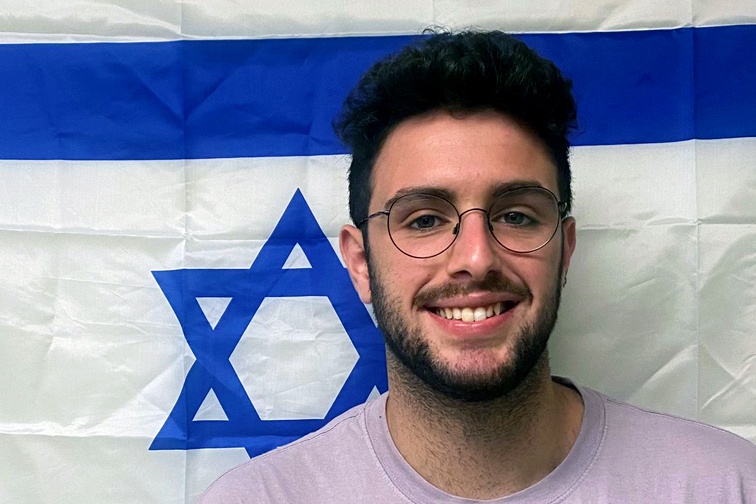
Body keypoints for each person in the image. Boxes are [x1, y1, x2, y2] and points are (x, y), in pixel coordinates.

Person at [199, 30, 756, 503]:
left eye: (515, 215)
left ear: (565, 248)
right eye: (423, 220)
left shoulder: (724, 486)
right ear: (361, 261)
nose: (475, 258)